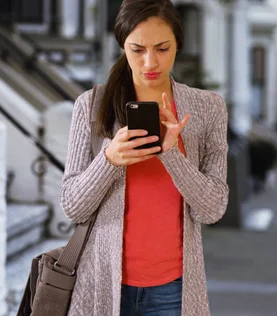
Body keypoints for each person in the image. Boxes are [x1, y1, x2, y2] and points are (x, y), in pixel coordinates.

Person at [59, 0, 229, 315]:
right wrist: (108, 159)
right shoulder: (92, 106)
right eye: (138, 50)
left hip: (173, 292)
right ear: (123, 46)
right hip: (103, 286)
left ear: (178, 44)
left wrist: (172, 153)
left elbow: (213, 210)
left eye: (162, 49)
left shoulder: (207, 108)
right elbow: (72, 205)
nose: (150, 62)